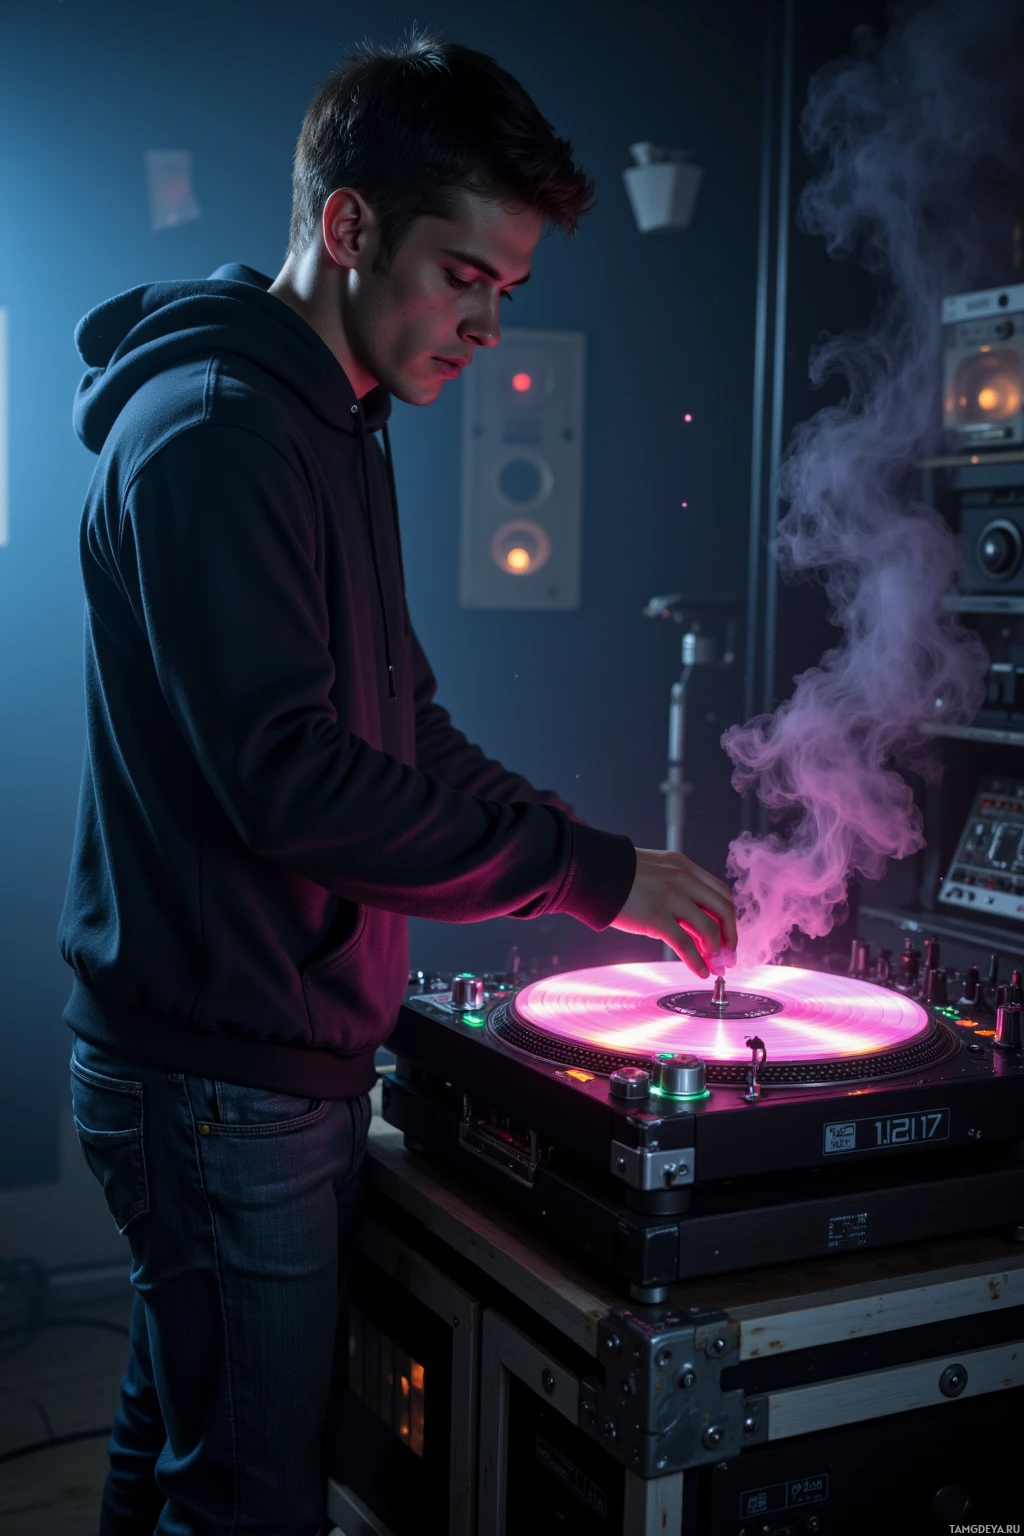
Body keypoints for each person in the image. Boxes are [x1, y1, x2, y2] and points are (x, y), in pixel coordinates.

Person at [61, 29, 737, 1536]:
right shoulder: (226, 435)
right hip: (220, 1077)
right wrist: (583, 872)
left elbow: (404, 726)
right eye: (467, 277)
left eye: (510, 291)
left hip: (230, 1052)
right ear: (350, 224)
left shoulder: (332, 415)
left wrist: (595, 863)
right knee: (245, 1501)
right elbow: (296, 785)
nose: (489, 326)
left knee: (174, 1446)